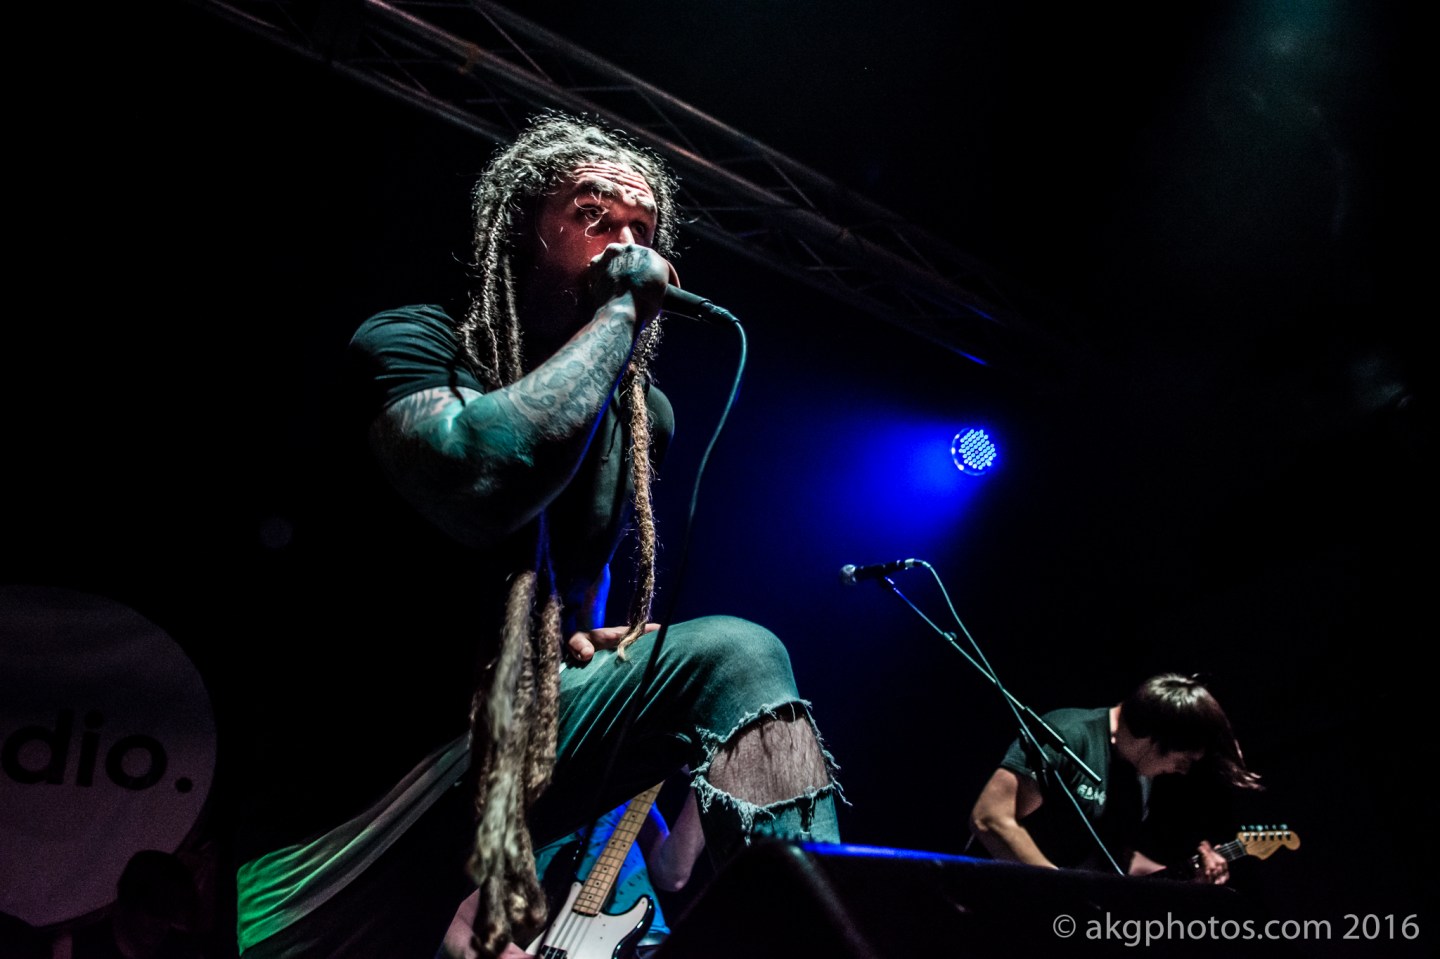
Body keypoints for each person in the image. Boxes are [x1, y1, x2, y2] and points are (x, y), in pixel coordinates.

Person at [234, 110, 842, 959]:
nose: (625, 246)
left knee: (735, 655)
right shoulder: (414, 343)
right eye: (594, 216)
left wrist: (589, 637)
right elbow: (481, 487)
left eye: (642, 231)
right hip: (347, 807)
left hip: (505, 764)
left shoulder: (642, 418)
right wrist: (621, 311)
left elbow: (576, 571)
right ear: (522, 230)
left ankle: (822, 929)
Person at [968, 672, 1262, 884]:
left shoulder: (1138, 774)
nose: (1182, 771)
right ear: (1154, 736)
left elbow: (1114, 860)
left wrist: (1188, 873)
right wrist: (1060, 889)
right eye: (1183, 759)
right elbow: (990, 818)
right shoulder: (1069, 735)